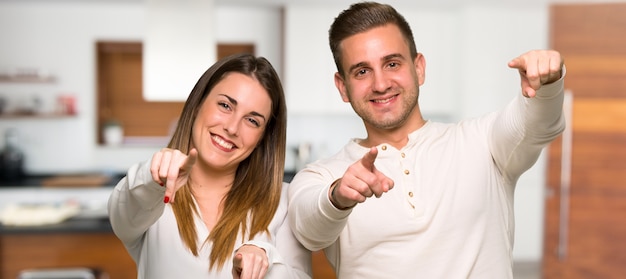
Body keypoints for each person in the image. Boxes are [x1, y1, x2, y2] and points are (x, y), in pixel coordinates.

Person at [287, 2, 565, 278]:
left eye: (392, 63)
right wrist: (338, 197)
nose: (381, 84)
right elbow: (310, 230)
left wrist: (546, 86)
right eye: (362, 71)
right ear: (342, 87)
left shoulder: (483, 142)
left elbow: (537, 125)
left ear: (418, 68)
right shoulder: (320, 176)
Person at [108, 53, 311, 279]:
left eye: (252, 120)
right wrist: (154, 178)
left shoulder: (284, 202)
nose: (232, 128)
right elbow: (124, 211)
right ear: (197, 104)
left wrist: (266, 259)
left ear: (263, 138)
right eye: (225, 105)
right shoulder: (150, 195)